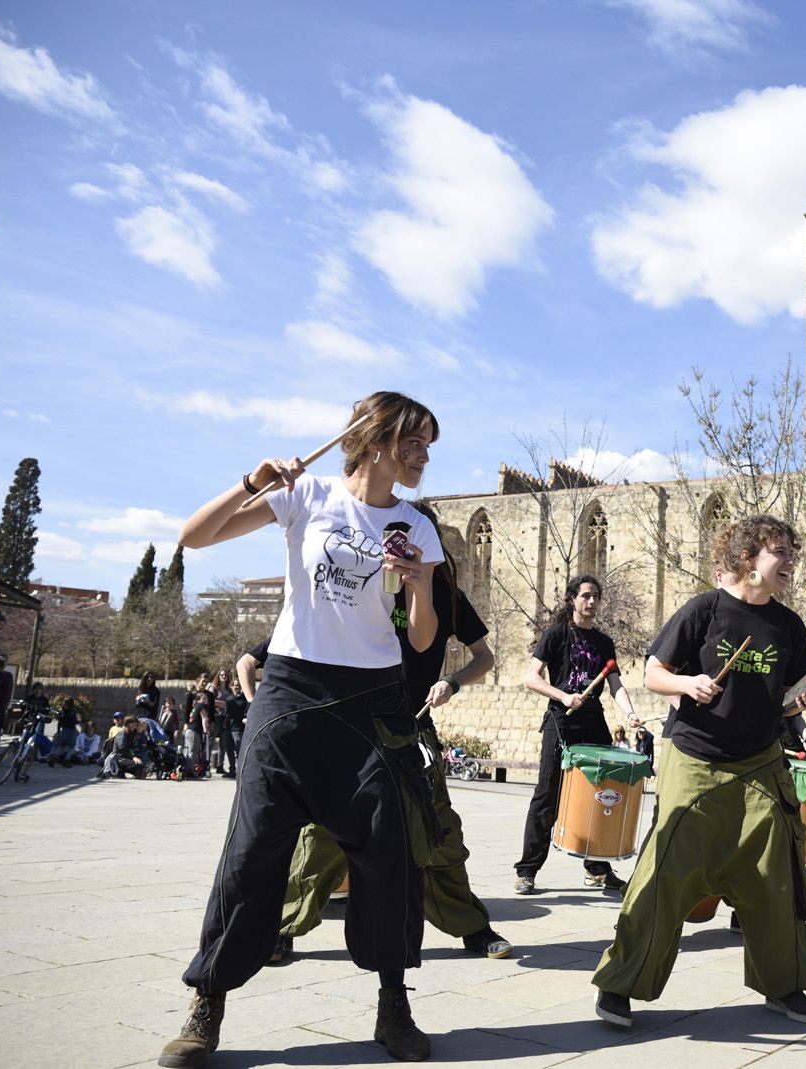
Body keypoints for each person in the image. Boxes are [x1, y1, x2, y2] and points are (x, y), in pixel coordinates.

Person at [156, 390, 445, 1068]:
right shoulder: (306, 494)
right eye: (413, 441)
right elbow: (192, 535)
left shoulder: (416, 525)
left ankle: (392, 1000)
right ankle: (207, 1003)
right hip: (289, 691)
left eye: (429, 444)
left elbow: (424, 637)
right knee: (251, 849)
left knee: (389, 850)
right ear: (375, 437)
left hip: (374, 698)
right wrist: (252, 482)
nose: (423, 455)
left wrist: (418, 588)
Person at [592, 514, 806, 1029]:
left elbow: (785, 702)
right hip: (695, 755)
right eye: (779, 551)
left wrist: (803, 701)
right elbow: (653, 673)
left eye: (791, 551)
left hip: (761, 760)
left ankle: (783, 986)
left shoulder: (788, 626)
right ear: (748, 559)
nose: (789, 560)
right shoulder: (704, 610)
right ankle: (620, 984)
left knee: (776, 873)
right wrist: (687, 684)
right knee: (667, 872)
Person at [274, 504, 514, 965]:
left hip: (411, 725)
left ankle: (473, 929)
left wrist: (453, 681)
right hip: (353, 721)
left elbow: (483, 657)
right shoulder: (359, 584)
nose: (399, 546)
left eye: (409, 537)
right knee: (324, 832)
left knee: (438, 828)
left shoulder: (444, 594)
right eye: (393, 537)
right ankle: (282, 928)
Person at [514, 573, 638, 895]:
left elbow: (615, 686)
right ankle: (527, 870)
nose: (592, 601)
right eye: (586, 595)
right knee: (547, 796)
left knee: (601, 794)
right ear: (573, 600)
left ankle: (597, 869)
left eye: (596, 596)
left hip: (593, 722)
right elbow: (531, 678)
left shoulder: (603, 642)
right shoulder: (556, 635)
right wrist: (563, 696)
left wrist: (630, 712)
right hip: (561, 720)